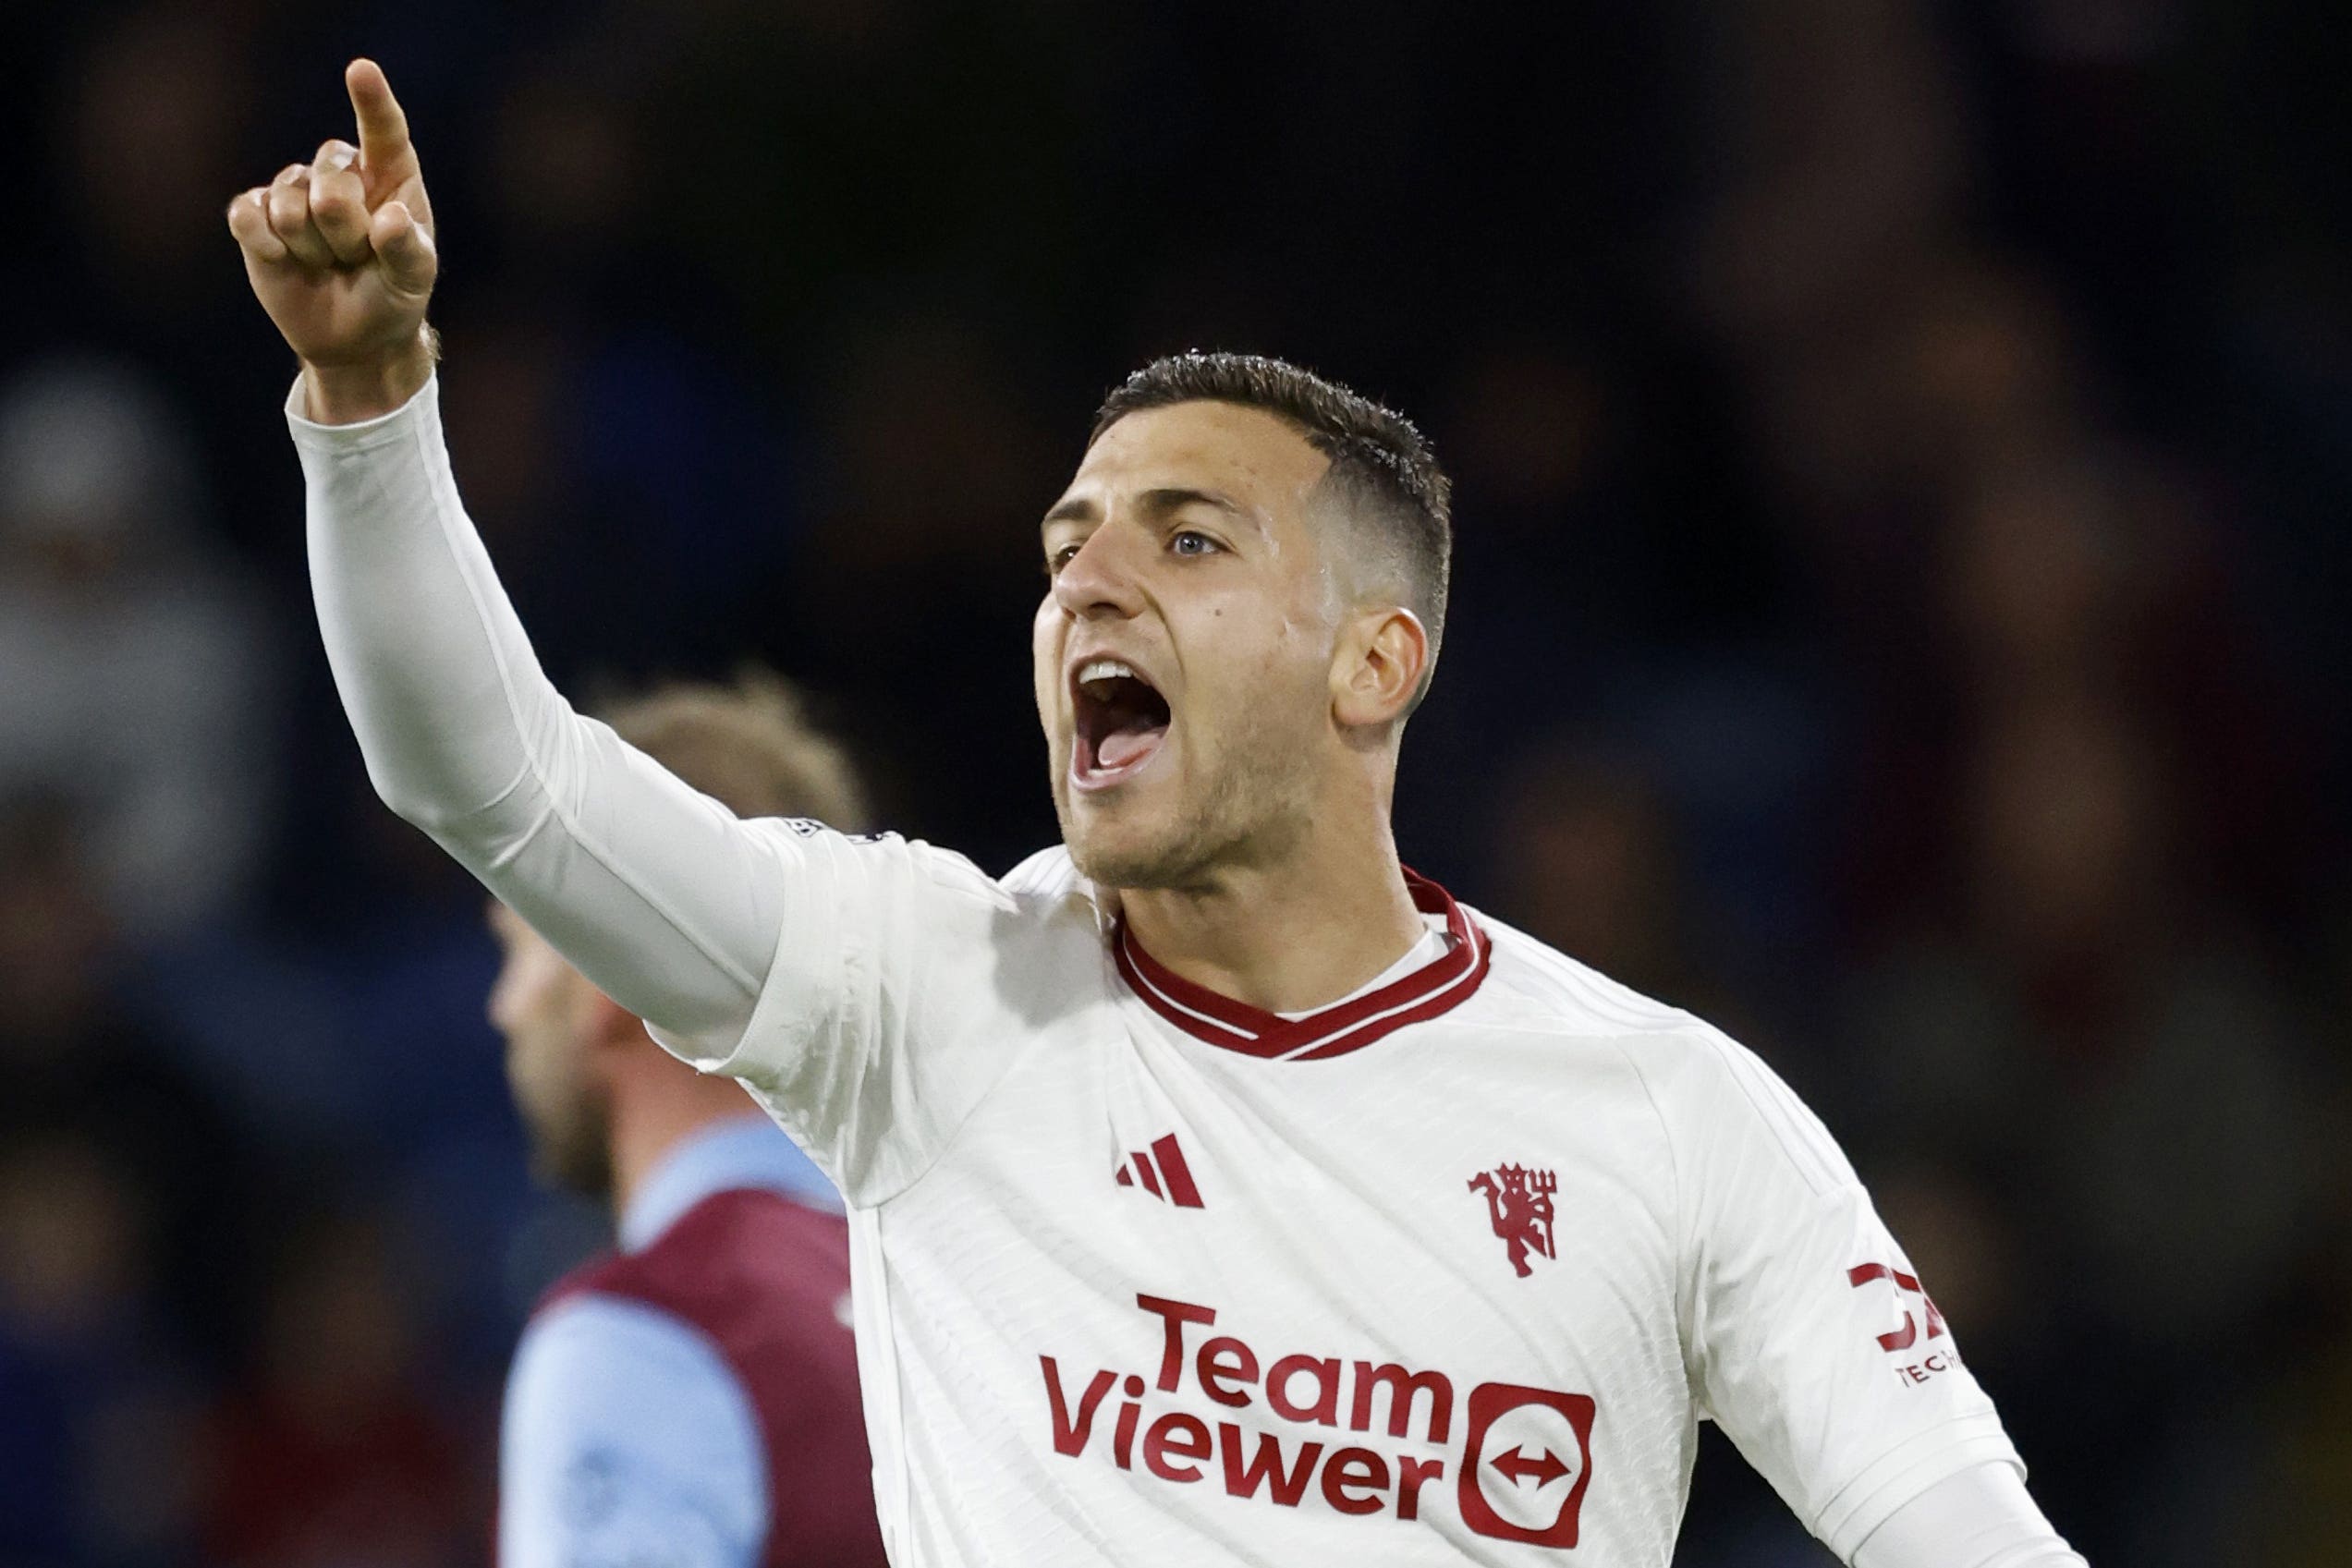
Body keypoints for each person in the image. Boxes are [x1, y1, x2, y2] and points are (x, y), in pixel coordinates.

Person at [227, 60, 2089, 1567]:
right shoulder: (921, 992)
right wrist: (371, 398)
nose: (1089, 586)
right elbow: (489, 771)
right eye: (1066, 550)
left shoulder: (1677, 1116)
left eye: (1185, 539)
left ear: (1374, 662)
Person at [482, 675, 889, 1568]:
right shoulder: (984, 1307)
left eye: (517, 946)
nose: (505, 1009)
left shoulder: (643, 1338)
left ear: (607, 970)